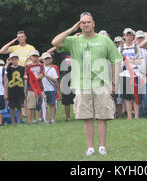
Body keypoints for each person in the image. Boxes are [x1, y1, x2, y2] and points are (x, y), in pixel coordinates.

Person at [51, 12, 122, 156]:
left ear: (94, 23)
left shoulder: (104, 40)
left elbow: (116, 60)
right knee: (87, 117)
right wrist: (72, 29)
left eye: (88, 22)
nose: (86, 24)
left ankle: (102, 147)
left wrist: (114, 82)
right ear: (79, 25)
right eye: (83, 22)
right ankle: (90, 148)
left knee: (102, 116)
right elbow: (55, 42)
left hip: (101, 84)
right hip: (82, 85)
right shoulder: (74, 40)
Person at [118, 28, 143, 120]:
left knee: (135, 96)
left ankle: (136, 116)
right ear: (124, 36)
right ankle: (129, 116)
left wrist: (132, 61)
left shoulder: (137, 48)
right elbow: (117, 61)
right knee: (127, 97)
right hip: (124, 74)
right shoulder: (120, 48)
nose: (128, 37)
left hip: (135, 73)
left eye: (130, 35)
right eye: (127, 35)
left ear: (133, 36)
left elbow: (140, 60)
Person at [4, 53, 25, 125]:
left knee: (19, 107)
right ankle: (13, 122)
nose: (14, 60)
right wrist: (7, 63)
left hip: (20, 90)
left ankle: (19, 121)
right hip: (11, 90)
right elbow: (4, 72)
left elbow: (24, 79)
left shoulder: (22, 68)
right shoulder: (9, 68)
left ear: (18, 59)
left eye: (16, 59)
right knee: (12, 107)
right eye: (12, 59)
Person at [136, 30, 147, 118]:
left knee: (146, 97)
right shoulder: (134, 48)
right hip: (135, 76)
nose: (141, 39)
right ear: (136, 39)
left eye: (142, 38)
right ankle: (140, 114)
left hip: (145, 76)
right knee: (138, 98)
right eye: (139, 38)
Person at [25, 50, 45, 124]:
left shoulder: (41, 65)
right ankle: (30, 121)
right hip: (31, 88)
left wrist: (35, 79)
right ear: (31, 57)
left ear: (38, 57)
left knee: (40, 104)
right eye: (33, 56)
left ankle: (40, 119)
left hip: (40, 87)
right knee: (31, 106)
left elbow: (42, 74)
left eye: (36, 56)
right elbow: (25, 75)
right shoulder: (28, 66)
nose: (35, 57)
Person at [41, 52, 59, 124]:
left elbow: (55, 79)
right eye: (45, 59)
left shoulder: (53, 68)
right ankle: (46, 119)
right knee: (44, 105)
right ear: (42, 59)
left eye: (48, 58)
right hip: (43, 89)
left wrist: (47, 75)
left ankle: (52, 119)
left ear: (50, 59)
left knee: (52, 104)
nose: (46, 60)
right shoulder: (40, 68)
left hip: (51, 89)